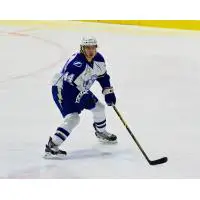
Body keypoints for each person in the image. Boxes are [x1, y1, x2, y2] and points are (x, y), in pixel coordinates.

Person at [44, 36, 117, 159]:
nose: (91, 51)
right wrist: (77, 102)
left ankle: (101, 132)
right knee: (73, 118)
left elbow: (103, 76)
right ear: (82, 48)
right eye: (88, 47)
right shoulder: (77, 64)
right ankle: (52, 147)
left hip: (80, 89)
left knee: (99, 107)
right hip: (63, 90)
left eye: (93, 47)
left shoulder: (98, 59)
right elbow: (69, 83)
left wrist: (108, 92)